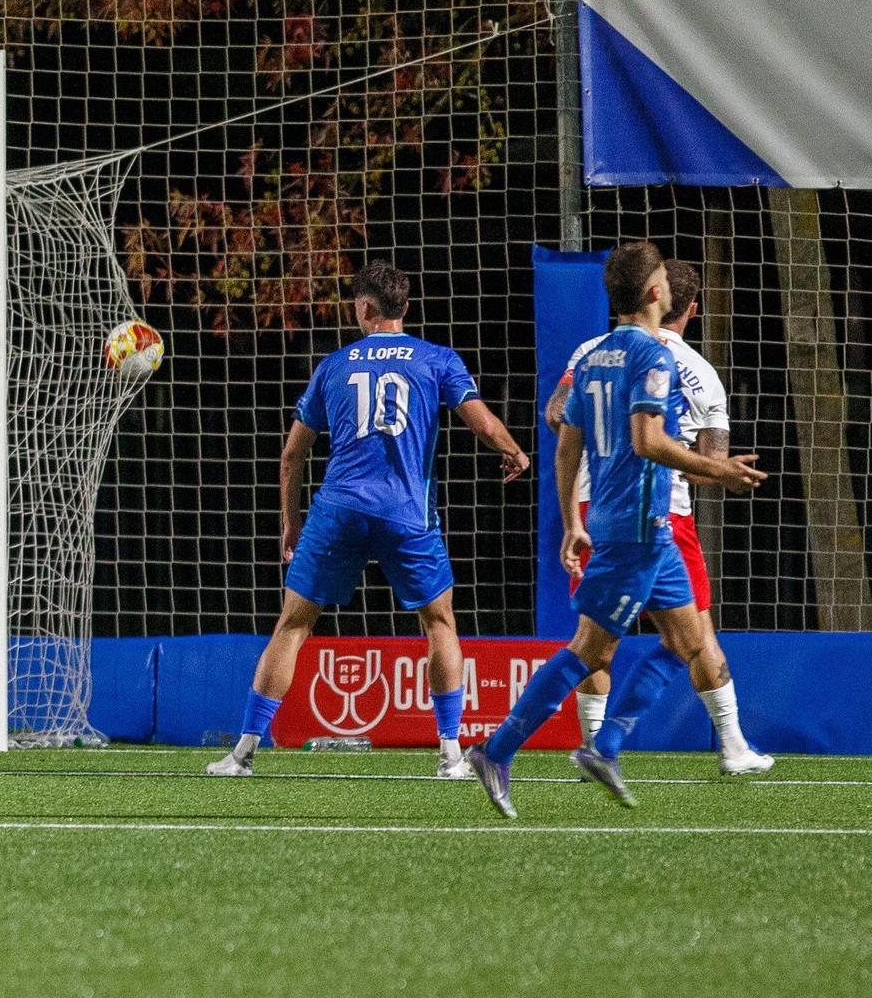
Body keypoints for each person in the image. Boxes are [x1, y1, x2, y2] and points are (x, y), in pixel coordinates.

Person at [469, 241, 767, 818]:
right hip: (634, 525)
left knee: (688, 641)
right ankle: (497, 750)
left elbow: (565, 444)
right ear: (657, 292)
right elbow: (647, 442)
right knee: (590, 650)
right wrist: (720, 469)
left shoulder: (592, 355)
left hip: (632, 522)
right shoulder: (653, 358)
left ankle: (605, 748)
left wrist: (571, 519)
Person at [205, 260, 530, 781]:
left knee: (293, 624)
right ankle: (450, 755)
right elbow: (483, 422)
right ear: (405, 308)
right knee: (439, 622)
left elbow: (292, 455)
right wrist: (515, 452)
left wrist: (290, 524)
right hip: (407, 513)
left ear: (364, 308)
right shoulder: (437, 359)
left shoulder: (334, 365)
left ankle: (240, 754)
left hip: (338, 509)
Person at [544, 259, 773, 774]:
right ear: (688, 308)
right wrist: (691, 458)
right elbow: (708, 472)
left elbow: (556, 413)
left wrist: (604, 435)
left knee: (595, 637)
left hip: (594, 504)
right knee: (694, 635)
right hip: (663, 512)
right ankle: (733, 747)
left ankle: (594, 747)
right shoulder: (702, 375)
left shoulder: (588, 351)